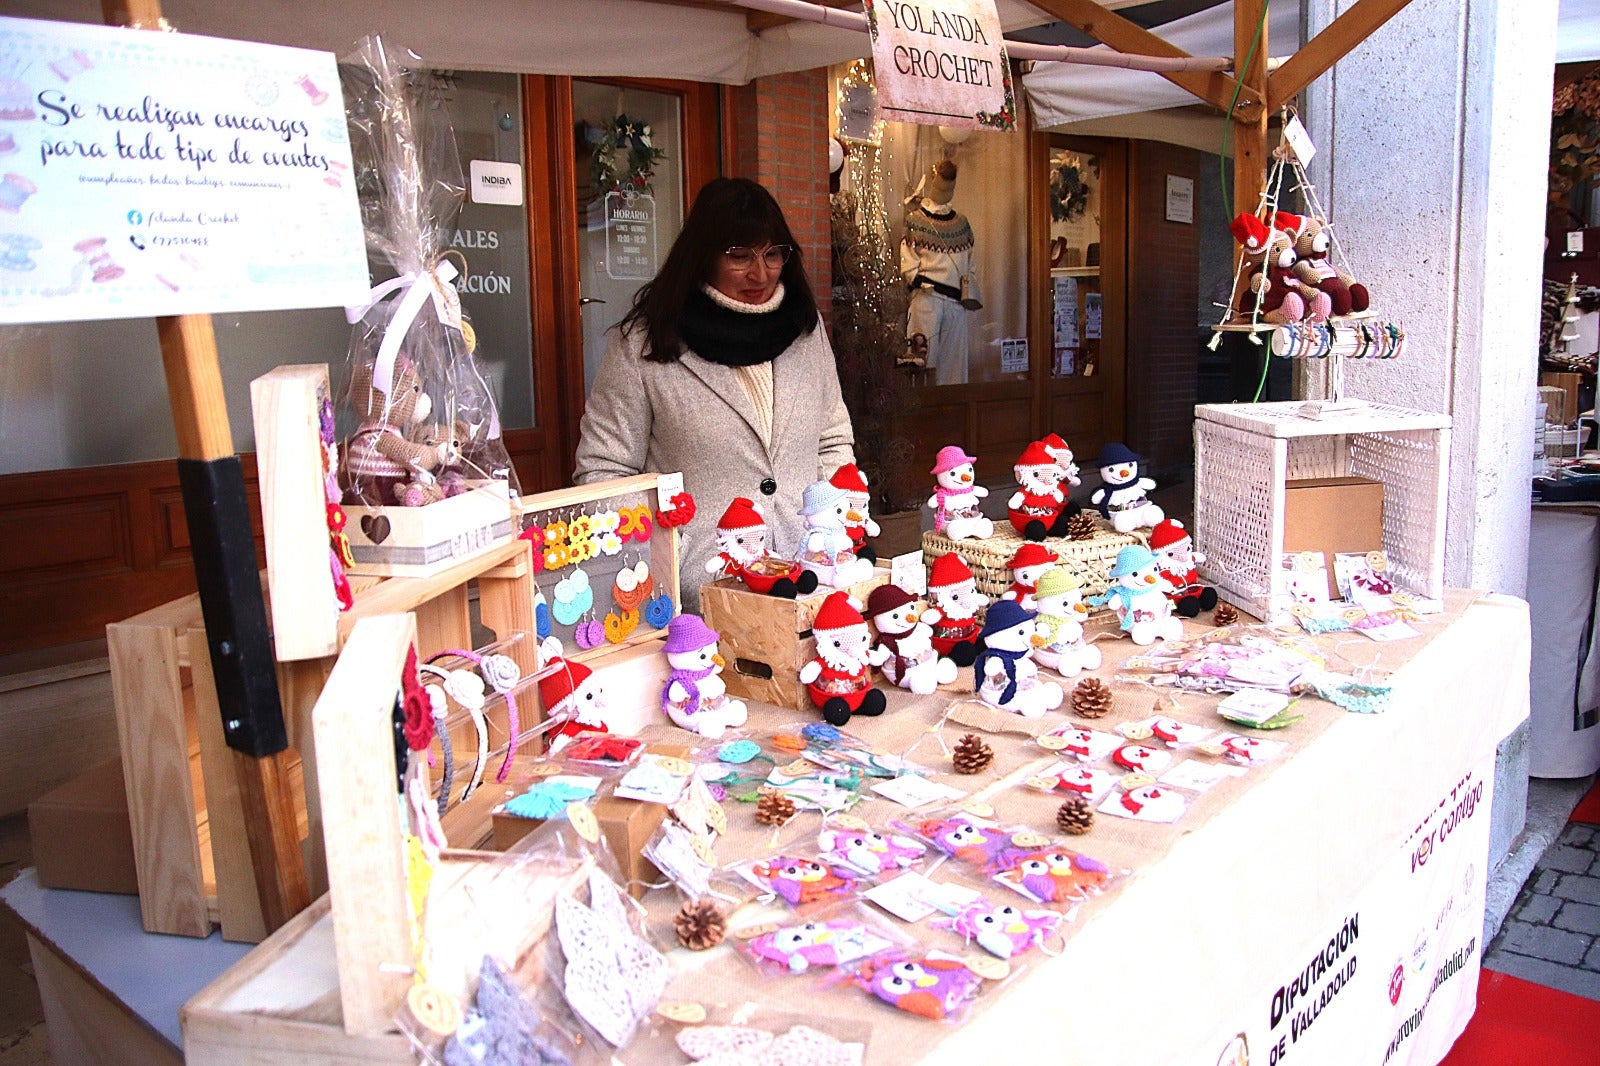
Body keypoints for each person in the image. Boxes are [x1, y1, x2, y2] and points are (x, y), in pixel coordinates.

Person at [574, 177, 855, 610]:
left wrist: (838, 527)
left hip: (811, 579)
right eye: (739, 256)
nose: (760, 273)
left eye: (772, 254)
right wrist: (670, 558)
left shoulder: (804, 328)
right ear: (703, 256)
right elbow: (604, 470)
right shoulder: (644, 344)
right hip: (704, 591)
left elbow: (833, 438)